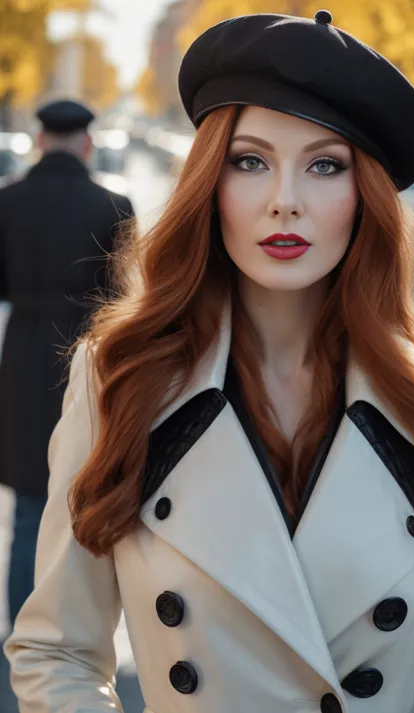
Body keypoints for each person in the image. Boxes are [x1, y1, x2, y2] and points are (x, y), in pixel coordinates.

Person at [4, 11, 414, 713]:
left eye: (325, 165)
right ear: (208, 184)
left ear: (364, 195)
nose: (284, 201)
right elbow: (58, 650)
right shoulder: (122, 375)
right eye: (249, 160)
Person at [0, 98, 135, 629]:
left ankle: (23, 632)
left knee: (31, 508)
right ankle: (75, 630)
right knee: (89, 496)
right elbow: (124, 295)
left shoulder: (7, 203)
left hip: (25, 356)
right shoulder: (114, 204)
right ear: (87, 143)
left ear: (39, 140)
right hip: (91, 356)